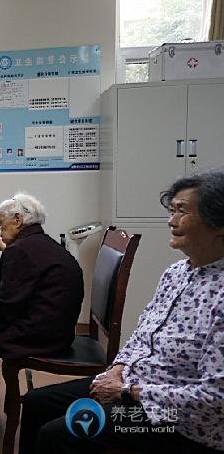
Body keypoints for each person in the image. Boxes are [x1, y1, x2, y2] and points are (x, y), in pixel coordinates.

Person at [19, 169, 224, 454]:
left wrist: (126, 392)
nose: (171, 220)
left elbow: (215, 399)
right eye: (171, 210)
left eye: (182, 211)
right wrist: (116, 371)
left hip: (177, 419)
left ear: (218, 223)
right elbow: (142, 335)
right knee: (36, 403)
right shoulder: (176, 272)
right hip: (133, 384)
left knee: (59, 435)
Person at [0, 192, 84, 430]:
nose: (0, 231)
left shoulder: (19, 250)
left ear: (17, 219)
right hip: (59, 331)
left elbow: (7, 303)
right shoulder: (44, 244)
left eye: (0, 224)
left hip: (41, 336)